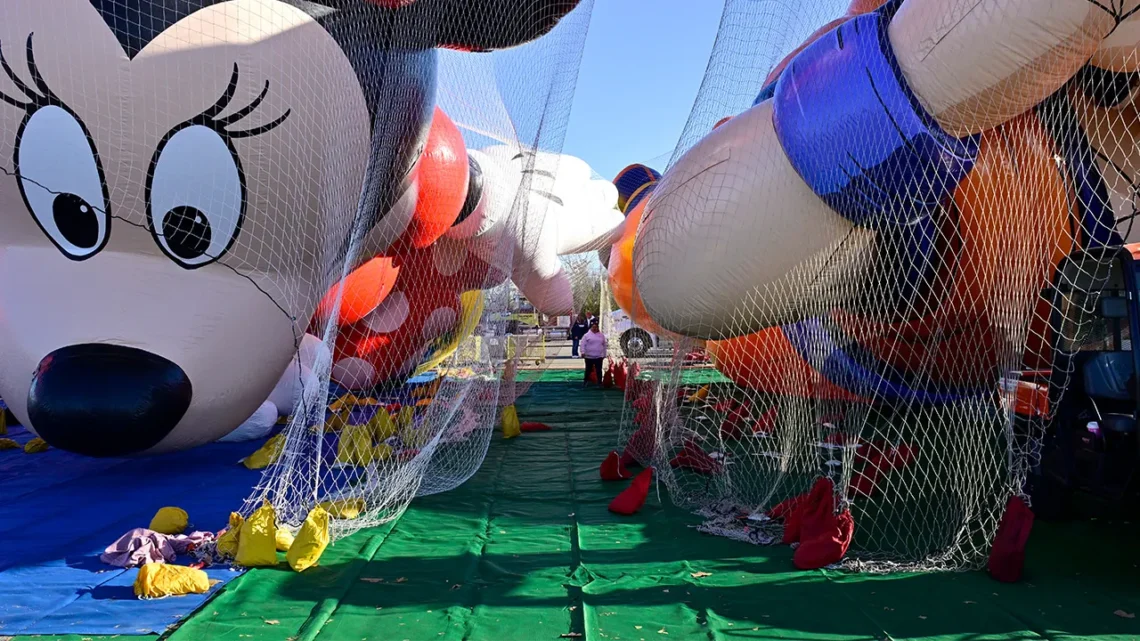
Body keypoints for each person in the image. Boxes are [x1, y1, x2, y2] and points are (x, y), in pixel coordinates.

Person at [579, 318, 606, 386]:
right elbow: (582, 344)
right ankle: (586, 382)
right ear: (591, 327)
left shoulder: (601, 335)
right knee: (588, 370)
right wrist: (582, 352)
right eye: (593, 327)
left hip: (599, 356)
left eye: (596, 327)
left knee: (598, 370)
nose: (594, 328)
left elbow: (604, 345)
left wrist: (604, 354)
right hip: (589, 356)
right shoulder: (586, 335)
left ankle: (599, 382)